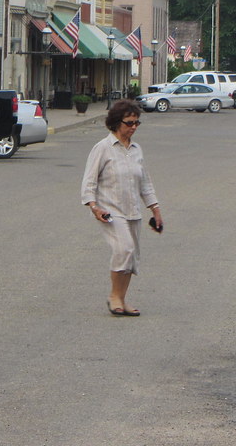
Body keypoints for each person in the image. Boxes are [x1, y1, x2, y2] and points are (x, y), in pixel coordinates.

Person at [80, 99, 163, 317]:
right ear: (117, 123)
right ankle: (114, 296)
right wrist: (94, 207)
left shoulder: (136, 150)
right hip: (109, 211)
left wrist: (155, 209)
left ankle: (122, 299)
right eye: (129, 123)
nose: (134, 127)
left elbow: (145, 182)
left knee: (131, 256)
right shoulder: (102, 148)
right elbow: (89, 181)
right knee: (124, 249)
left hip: (133, 210)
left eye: (137, 123)